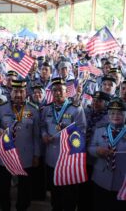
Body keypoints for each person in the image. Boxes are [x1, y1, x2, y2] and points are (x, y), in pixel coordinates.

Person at [0, 80, 40, 211]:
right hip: (5, 155)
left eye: (21, 91)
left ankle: (21, 207)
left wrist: (36, 155)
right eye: (15, 91)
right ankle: (5, 207)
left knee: (24, 188)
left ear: (26, 93)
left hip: (25, 155)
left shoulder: (33, 110)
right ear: (11, 92)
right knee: (3, 186)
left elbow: (36, 135)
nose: (18, 94)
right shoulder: (2, 108)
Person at [40, 77, 87, 211]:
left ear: (67, 92)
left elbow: (82, 132)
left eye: (61, 90)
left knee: (68, 194)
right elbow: (42, 126)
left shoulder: (76, 109)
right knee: (55, 191)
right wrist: (44, 135)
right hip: (52, 158)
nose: (57, 93)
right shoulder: (47, 109)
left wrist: (66, 137)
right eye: (54, 90)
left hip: (68, 159)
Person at [88, 98, 126, 211]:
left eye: (120, 113)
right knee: (100, 206)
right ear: (108, 115)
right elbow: (90, 147)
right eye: (112, 113)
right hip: (101, 178)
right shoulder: (99, 130)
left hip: (121, 181)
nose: (116, 116)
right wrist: (97, 151)